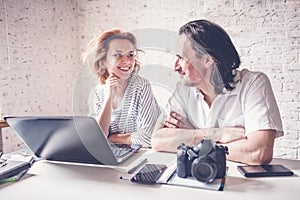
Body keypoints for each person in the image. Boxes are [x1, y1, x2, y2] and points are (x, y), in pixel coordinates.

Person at [151, 19, 283, 165]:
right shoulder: (184, 89)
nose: (175, 67)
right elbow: (157, 140)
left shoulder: (253, 84)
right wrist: (215, 134)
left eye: (181, 58)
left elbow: (258, 152)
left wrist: (188, 138)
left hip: (241, 184)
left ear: (207, 60)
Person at [88, 29, 160, 148]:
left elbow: (147, 138)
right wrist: (108, 96)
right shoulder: (97, 93)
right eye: (118, 55)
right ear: (103, 61)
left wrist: (111, 137)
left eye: (130, 55)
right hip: (113, 156)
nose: (127, 61)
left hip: (142, 156)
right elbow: (97, 138)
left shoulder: (141, 87)